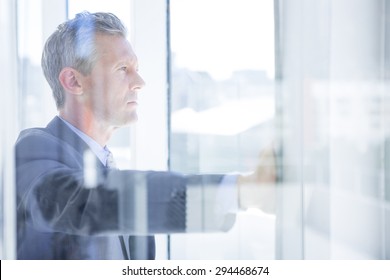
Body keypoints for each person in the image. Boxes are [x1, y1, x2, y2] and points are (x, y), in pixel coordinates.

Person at [15, 12, 276, 260]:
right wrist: (237, 192)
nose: (140, 81)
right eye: (122, 69)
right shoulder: (33, 151)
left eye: (136, 68)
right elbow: (87, 201)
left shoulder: (109, 171)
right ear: (73, 81)